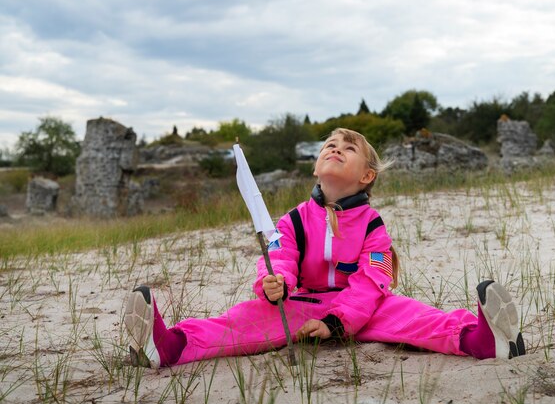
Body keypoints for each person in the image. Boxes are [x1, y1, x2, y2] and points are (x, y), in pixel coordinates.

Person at [124, 128, 526, 368]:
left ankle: (482, 340)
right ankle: (169, 346)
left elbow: (373, 282)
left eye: (348, 148)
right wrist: (274, 282)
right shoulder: (293, 219)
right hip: (300, 303)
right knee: (242, 320)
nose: (335, 148)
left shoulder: (374, 226)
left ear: (366, 175)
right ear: (316, 167)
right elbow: (280, 257)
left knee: (415, 316)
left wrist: (337, 324)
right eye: (329, 146)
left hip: (363, 309)